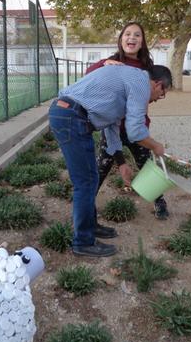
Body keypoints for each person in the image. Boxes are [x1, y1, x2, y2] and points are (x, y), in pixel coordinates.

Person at [49, 64, 172, 257]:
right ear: (158, 84)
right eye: (162, 95)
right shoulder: (141, 82)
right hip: (72, 118)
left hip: (68, 115)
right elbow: (135, 131)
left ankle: (90, 227)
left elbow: (112, 127)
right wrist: (156, 146)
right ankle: (83, 242)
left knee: (91, 180)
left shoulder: (128, 82)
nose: (157, 100)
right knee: (85, 183)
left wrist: (121, 163)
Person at [86, 22, 170, 221]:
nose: (132, 38)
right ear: (121, 38)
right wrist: (103, 64)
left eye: (137, 35)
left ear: (142, 42)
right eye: (127, 34)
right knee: (101, 170)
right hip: (111, 127)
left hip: (136, 129)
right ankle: (85, 208)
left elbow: (150, 96)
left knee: (147, 165)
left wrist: (145, 125)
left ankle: (160, 203)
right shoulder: (112, 62)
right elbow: (89, 76)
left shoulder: (147, 68)